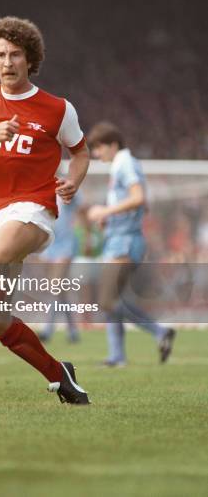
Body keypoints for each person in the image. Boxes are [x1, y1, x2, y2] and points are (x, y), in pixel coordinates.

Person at [0, 16, 90, 405]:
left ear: (30, 58)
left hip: (35, 210)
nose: (7, 62)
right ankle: (62, 377)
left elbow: (80, 152)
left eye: (15, 54)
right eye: (0, 55)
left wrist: (74, 180)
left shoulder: (58, 109)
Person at [87, 121, 176, 366]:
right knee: (113, 299)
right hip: (121, 238)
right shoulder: (121, 164)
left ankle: (159, 331)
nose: (96, 154)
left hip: (124, 242)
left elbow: (138, 198)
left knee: (107, 299)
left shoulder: (124, 163)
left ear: (113, 144)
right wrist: (112, 217)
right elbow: (140, 203)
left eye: (99, 148)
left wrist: (106, 211)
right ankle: (117, 356)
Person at [38, 192, 82, 343]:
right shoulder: (44, 189)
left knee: (55, 287)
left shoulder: (65, 189)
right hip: (49, 245)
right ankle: (73, 330)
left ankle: (47, 329)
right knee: (59, 291)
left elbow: (79, 209)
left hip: (66, 245)